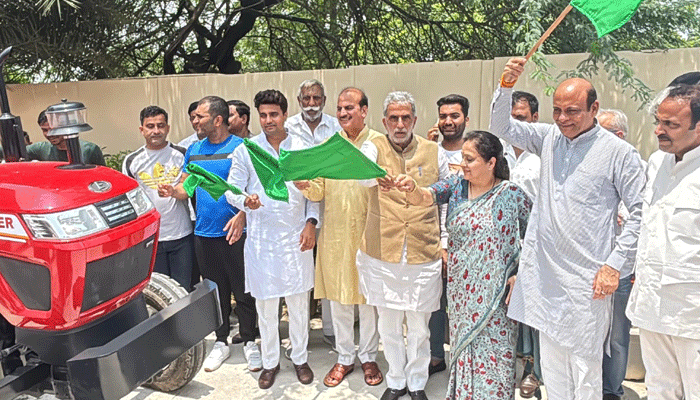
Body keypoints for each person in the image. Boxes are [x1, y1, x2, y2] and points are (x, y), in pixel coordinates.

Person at [490, 57, 646, 399]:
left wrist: (614, 265)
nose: (563, 118)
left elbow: (639, 212)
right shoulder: (549, 138)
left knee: (585, 370)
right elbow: (502, 126)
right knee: (554, 369)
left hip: (587, 283)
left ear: (594, 109)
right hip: (546, 277)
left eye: (572, 111)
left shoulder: (619, 153)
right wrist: (506, 85)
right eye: (557, 110)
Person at [396, 130, 532, 399]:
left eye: (470, 159)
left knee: (496, 360)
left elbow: (536, 236)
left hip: (497, 298)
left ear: (491, 163)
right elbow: (426, 196)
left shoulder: (511, 194)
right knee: (464, 354)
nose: (463, 165)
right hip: (462, 296)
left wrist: (520, 274)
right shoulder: (456, 186)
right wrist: (412, 188)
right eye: (462, 158)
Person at [158, 96, 260, 373]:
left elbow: (255, 190)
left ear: (217, 119)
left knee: (244, 290)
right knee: (215, 291)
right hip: (204, 233)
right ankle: (221, 341)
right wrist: (172, 191)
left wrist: (243, 215)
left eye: (199, 117)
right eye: (194, 117)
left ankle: (250, 341)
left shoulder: (242, 148)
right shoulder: (194, 150)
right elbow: (187, 187)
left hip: (238, 232)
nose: (195, 121)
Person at [357, 91, 448, 400]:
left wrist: (445, 240)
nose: (399, 124)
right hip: (383, 250)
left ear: (414, 120)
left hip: (423, 249)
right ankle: (396, 380)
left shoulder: (434, 151)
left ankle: (417, 383)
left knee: (420, 326)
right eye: (393, 118)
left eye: (405, 118)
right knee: (389, 323)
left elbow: (445, 196)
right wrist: (375, 175)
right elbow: (361, 177)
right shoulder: (372, 147)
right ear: (384, 121)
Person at [225, 89, 318, 389]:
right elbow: (231, 189)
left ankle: (300, 358)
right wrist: (244, 201)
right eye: (263, 115)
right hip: (262, 239)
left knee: (299, 304)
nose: (268, 120)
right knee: (266, 306)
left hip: (296, 235)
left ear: (285, 114)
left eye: (274, 114)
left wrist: (311, 223)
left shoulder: (301, 147)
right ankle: (270, 363)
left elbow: (315, 192)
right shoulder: (247, 150)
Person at [296, 87, 384, 388]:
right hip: (335, 234)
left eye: (350, 108)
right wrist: (305, 184)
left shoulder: (379, 143)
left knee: (369, 300)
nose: (343, 113)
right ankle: (345, 357)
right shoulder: (329, 146)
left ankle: (369, 356)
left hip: (371, 233)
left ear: (364, 110)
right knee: (340, 299)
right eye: (340, 108)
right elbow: (318, 190)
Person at [626, 84, 700, 400]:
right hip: (651, 305)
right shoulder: (657, 162)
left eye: (671, 124)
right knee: (659, 390)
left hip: (691, 314)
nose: (659, 130)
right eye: (658, 121)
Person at [285, 78, 341, 346]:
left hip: (331, 210)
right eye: (306, 99)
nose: (311, 104)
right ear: (299, 101)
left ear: (324, 101)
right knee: (299, 274)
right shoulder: (287, 128)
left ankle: (332, 330)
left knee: (329, 271)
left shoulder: (336, 127)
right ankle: (299, 336)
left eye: (316, 98)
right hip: (298, 211)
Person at [122, 106, 194, 290]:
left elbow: (188, 188)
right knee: (158, 291)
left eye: (160, 126)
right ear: (142, 129)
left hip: (181, 235)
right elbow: (130, 200)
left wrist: (173, 191)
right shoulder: (131, 161)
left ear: (167, 128)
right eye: (150, 126)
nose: (156, 131)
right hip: (151, 238)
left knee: (183, 289)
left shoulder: (183, 154)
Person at [595, 108, 638, 400]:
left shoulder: (638, 166)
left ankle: (611, 391)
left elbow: (641, 213)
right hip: (591, 266)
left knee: (617, 335)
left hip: (621, 268)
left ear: (618, 136)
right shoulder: (594, 166)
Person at [428, 94, 471, 377]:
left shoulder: (475, 151)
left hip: (469, 243)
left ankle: (464, 361)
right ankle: (435, 357)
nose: (448, 121)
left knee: (464, 305)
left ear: (466, 119)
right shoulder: (431, 152)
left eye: (454, 116)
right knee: (434, 304)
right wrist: (443, 244)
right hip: (435, 239)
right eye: (443, 116)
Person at [507, 90, 543, 399]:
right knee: (508, 308)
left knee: (532, 312)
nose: (515, 124)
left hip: (535, 243)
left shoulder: (544, 155)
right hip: (503, 245)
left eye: (520, 118)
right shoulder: (498, 149)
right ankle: (509, 365)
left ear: (534, 118)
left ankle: (533, 369)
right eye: (510, 118)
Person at [28, 110, 105, 165]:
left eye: (53, 129)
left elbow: (103, 177)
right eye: (45, 130)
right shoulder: (41, 149)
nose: (49, 134)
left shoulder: (89, 150)